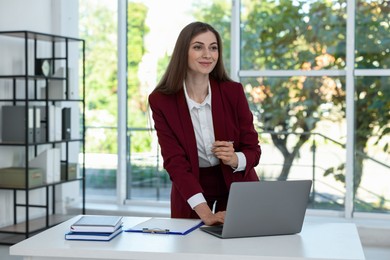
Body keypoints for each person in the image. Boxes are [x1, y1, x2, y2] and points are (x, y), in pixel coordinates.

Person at [148, 21, 261, 226]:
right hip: (192, 188)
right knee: (191, 251)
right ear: (184, 52)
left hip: (237, 183)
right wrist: (206, 214)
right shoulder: (161, 100)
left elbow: (254, 150)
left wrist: (235, 158)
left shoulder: (232, 92)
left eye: (213, 47)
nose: (207, 54)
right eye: (198, 47)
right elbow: (175, 162)